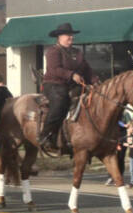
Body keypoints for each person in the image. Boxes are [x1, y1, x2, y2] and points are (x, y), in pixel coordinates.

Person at [39, 23, 95, 152]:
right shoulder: (53, 51)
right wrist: (71, 74)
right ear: (59, 37)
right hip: (53, 84)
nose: (71, 37)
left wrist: (96, 82)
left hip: (73, 85)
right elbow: (54, 69)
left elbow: (87, 70)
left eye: (72, 35)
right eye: (68, 35)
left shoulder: (78, 52)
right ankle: (46, 135)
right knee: (60, 102)